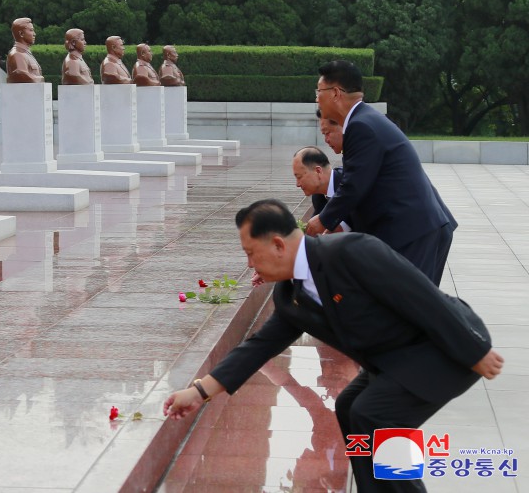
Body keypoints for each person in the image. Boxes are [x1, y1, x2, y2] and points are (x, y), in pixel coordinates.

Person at [164, 199, 503, 493]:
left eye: (251, 253)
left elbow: (424, 298)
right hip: (393, 362)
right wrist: (198, 392)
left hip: (443, 348)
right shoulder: (290, 296)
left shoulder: (352, 252)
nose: (250, 264)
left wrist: (474, 352)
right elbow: (257, 347)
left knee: (373, 415)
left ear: (279, 245)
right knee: (350, 407)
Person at [306, 60, 454, 286]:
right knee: (410, 310)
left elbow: (354, 185)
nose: (317, 98)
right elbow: (364, 185)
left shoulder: (361, 126)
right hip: (415, 229)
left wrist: (324, 220)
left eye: (319, 91)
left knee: (413, 309)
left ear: (335, 93)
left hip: (415, 231)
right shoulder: (364, 120)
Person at [292, 146, 346, 224]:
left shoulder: (348, 182)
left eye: (299, 177)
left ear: (318, 171)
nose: (297, 184)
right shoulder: (318, 195)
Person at [6, 18, 43, 83]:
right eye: (31, 30)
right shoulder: (17, 54)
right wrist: (40, 79)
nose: (34, 34)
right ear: (21, 34)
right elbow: (21, 74)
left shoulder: (26, 53)